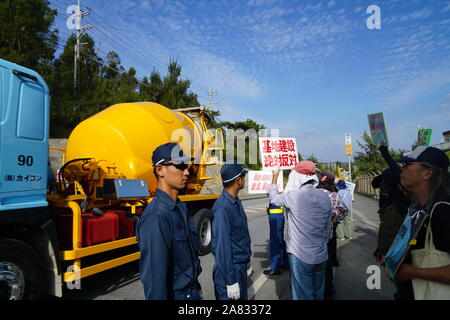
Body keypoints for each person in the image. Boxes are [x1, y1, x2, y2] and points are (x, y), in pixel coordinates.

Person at [136, 142, 202, 300]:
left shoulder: (179, 207)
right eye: (179, 166)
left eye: (187, 166)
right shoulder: (156, 217)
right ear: (160, 170)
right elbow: (155, 281)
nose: (186, 172)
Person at [391, 146, 450, 299]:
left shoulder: (443, 211)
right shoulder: (417, 209)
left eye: (407, 165)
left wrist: (414, 272)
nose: (401, 170)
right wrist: (393, 261)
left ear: (427, 173)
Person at [269, 161, 332, 300]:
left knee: (303, 295)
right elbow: (329, 229)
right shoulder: (325, 197)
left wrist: (275, 176)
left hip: (300, 255)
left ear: (296, 177)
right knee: (318, 293)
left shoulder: (293, 196)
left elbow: (273, 198)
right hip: (321, 255)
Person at [211, 163, 252, 300]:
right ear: (238, 181)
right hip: (229, 269)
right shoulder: (223, 208)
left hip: (239, 266)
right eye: (243, 176)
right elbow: (222, 248)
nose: (244, 179)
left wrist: (246, 260)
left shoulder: (235, 202)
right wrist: (230, 280)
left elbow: (242, 235)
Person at [316, 171, 347, 298]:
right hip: (327, 233)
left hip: (312, 235)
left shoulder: (314, 192)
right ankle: (328, 289)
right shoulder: (333, 193)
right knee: (326, 262)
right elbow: (342, 210)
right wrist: (332, 220)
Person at [263, 202, 289, 276]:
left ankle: (274, 268)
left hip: (275, 215)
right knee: (279, 240)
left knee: (274, 241)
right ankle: (283, 262)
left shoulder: (274, 190)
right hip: (278, 215)